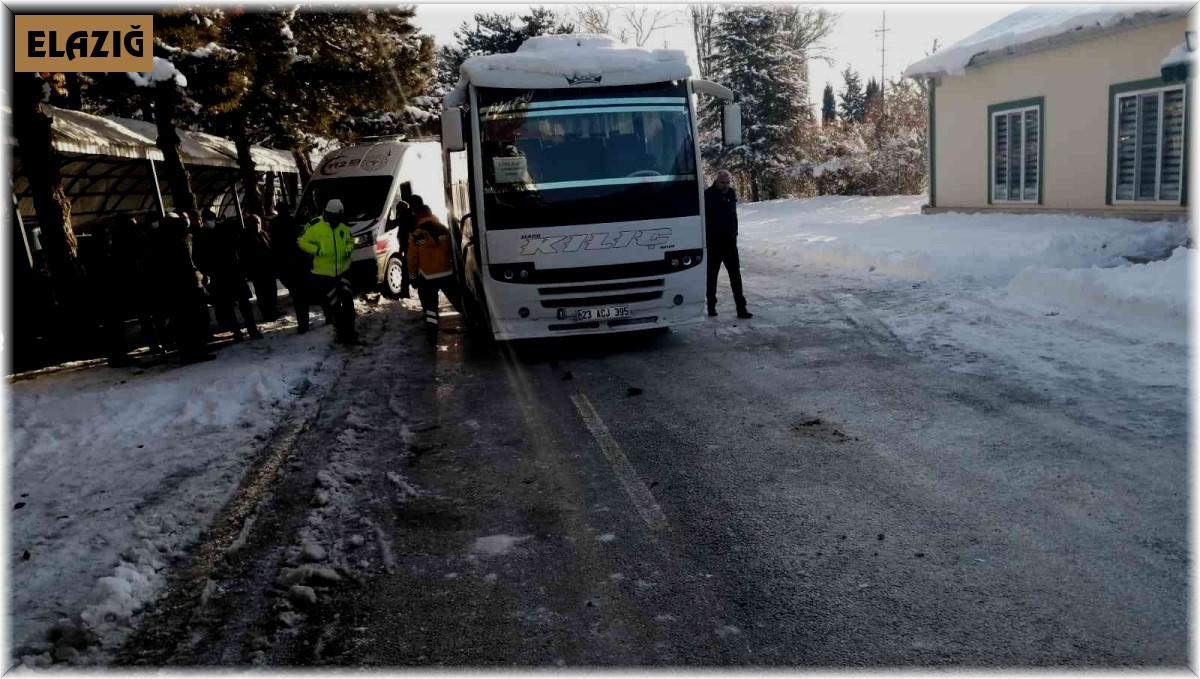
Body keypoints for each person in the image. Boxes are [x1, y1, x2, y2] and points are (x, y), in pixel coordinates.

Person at [297, 199, 359, 344]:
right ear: (328, 214)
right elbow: (301, 241)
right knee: (334, 305)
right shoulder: (314, 226)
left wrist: (349, 249)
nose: (338, 221)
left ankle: (350, 331)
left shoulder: (342, 227)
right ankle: (341, 333)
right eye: (336, 218)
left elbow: (350, 240)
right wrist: (316, 250)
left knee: (348, 303)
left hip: (343, 271)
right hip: (324, 275)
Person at [407, 204, 460, 343]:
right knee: (458, 301)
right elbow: (453, 251)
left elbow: (412, 259)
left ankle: (432, 333)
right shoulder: (443, 230)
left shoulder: (416, 235)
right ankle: (475, 323)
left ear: (418, 216)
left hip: (426, 277)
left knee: (430, 308)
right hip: (446, 273)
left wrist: (412, 278)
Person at [704, 169, 752, 319]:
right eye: (722, 183)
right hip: (713, 242)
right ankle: (711, 305)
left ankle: (741, 308)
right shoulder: (708, 195)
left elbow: (734, 216)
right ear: (716, 181)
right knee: (712, 276)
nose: (725, 185)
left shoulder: (731, 193)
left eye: (727, 182)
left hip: (729, 242)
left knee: (735, 276)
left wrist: (735, 233)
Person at [239, 214, 280, 320]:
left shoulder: (262, 233)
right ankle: (267, 313)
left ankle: (273, 309)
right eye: (255, 223)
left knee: (272, 290)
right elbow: (245, 256)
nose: (257, 225)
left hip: (268, 268)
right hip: (257, 271)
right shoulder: (245, 237)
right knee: (262, 293)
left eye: (259, 222)